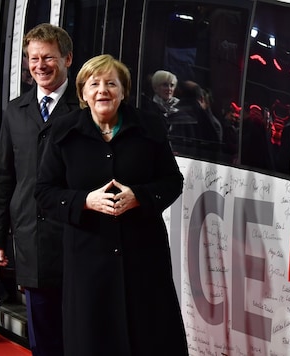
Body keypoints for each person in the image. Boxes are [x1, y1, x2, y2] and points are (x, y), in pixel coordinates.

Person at [35, 54, 188, 356]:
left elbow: (172, 181)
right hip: (87, 261)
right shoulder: (63, 132)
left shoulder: (150, 126)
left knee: (151, 339)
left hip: (144, 259)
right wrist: (84, 201)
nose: (102, 90)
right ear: (83, 93)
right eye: (94, 84)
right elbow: (44, 192)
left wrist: (140, 197)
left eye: (111, 83)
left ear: (123, 91)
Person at [0, 23, 77, 356]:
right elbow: (2, 177)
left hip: (76, 233)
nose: (39, 65)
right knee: (42, 331)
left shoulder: (86, 108)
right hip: (30, 236)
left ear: (67, 58)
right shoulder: (15, 111)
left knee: (79, 328)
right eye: (33, 58)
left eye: (48, 58)